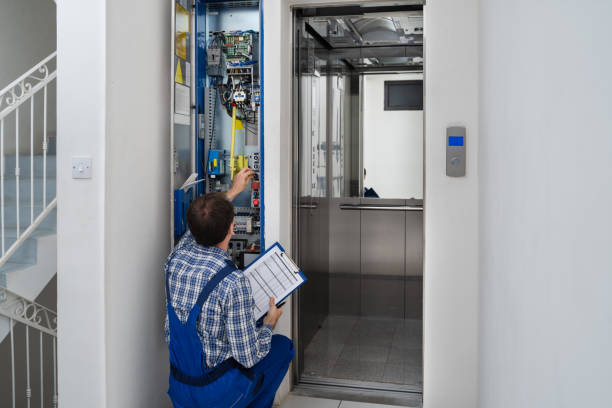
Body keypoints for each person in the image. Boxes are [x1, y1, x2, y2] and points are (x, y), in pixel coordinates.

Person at [164, 168, 295, 408]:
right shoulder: (233, 282)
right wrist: (269, 324)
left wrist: (233, 191)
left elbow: (198, 226)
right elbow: (248, 356)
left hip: (181, 385)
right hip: (214, 391)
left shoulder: (175, 259)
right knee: (282, 347)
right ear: (232, 229)